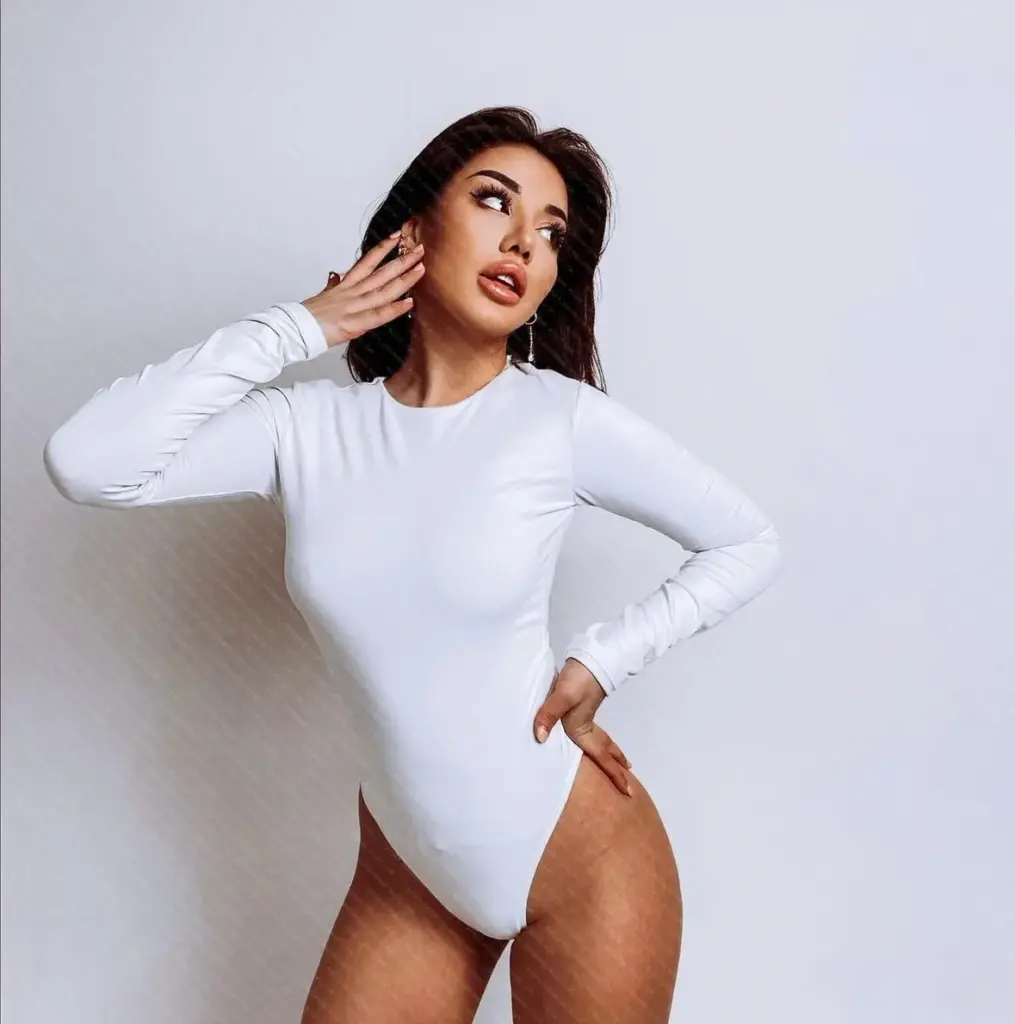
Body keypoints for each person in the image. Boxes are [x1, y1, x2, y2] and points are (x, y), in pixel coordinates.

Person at [42, 106, 782, 1024]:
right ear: (413, 231)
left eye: (552, 233)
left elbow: (746, 540)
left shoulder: (557, 421)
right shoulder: (306, 431)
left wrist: (601, 660)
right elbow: (89, 463)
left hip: (582, 862)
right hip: (411, 876)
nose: (524, 241)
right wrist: (299, 327)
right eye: (493, 200)